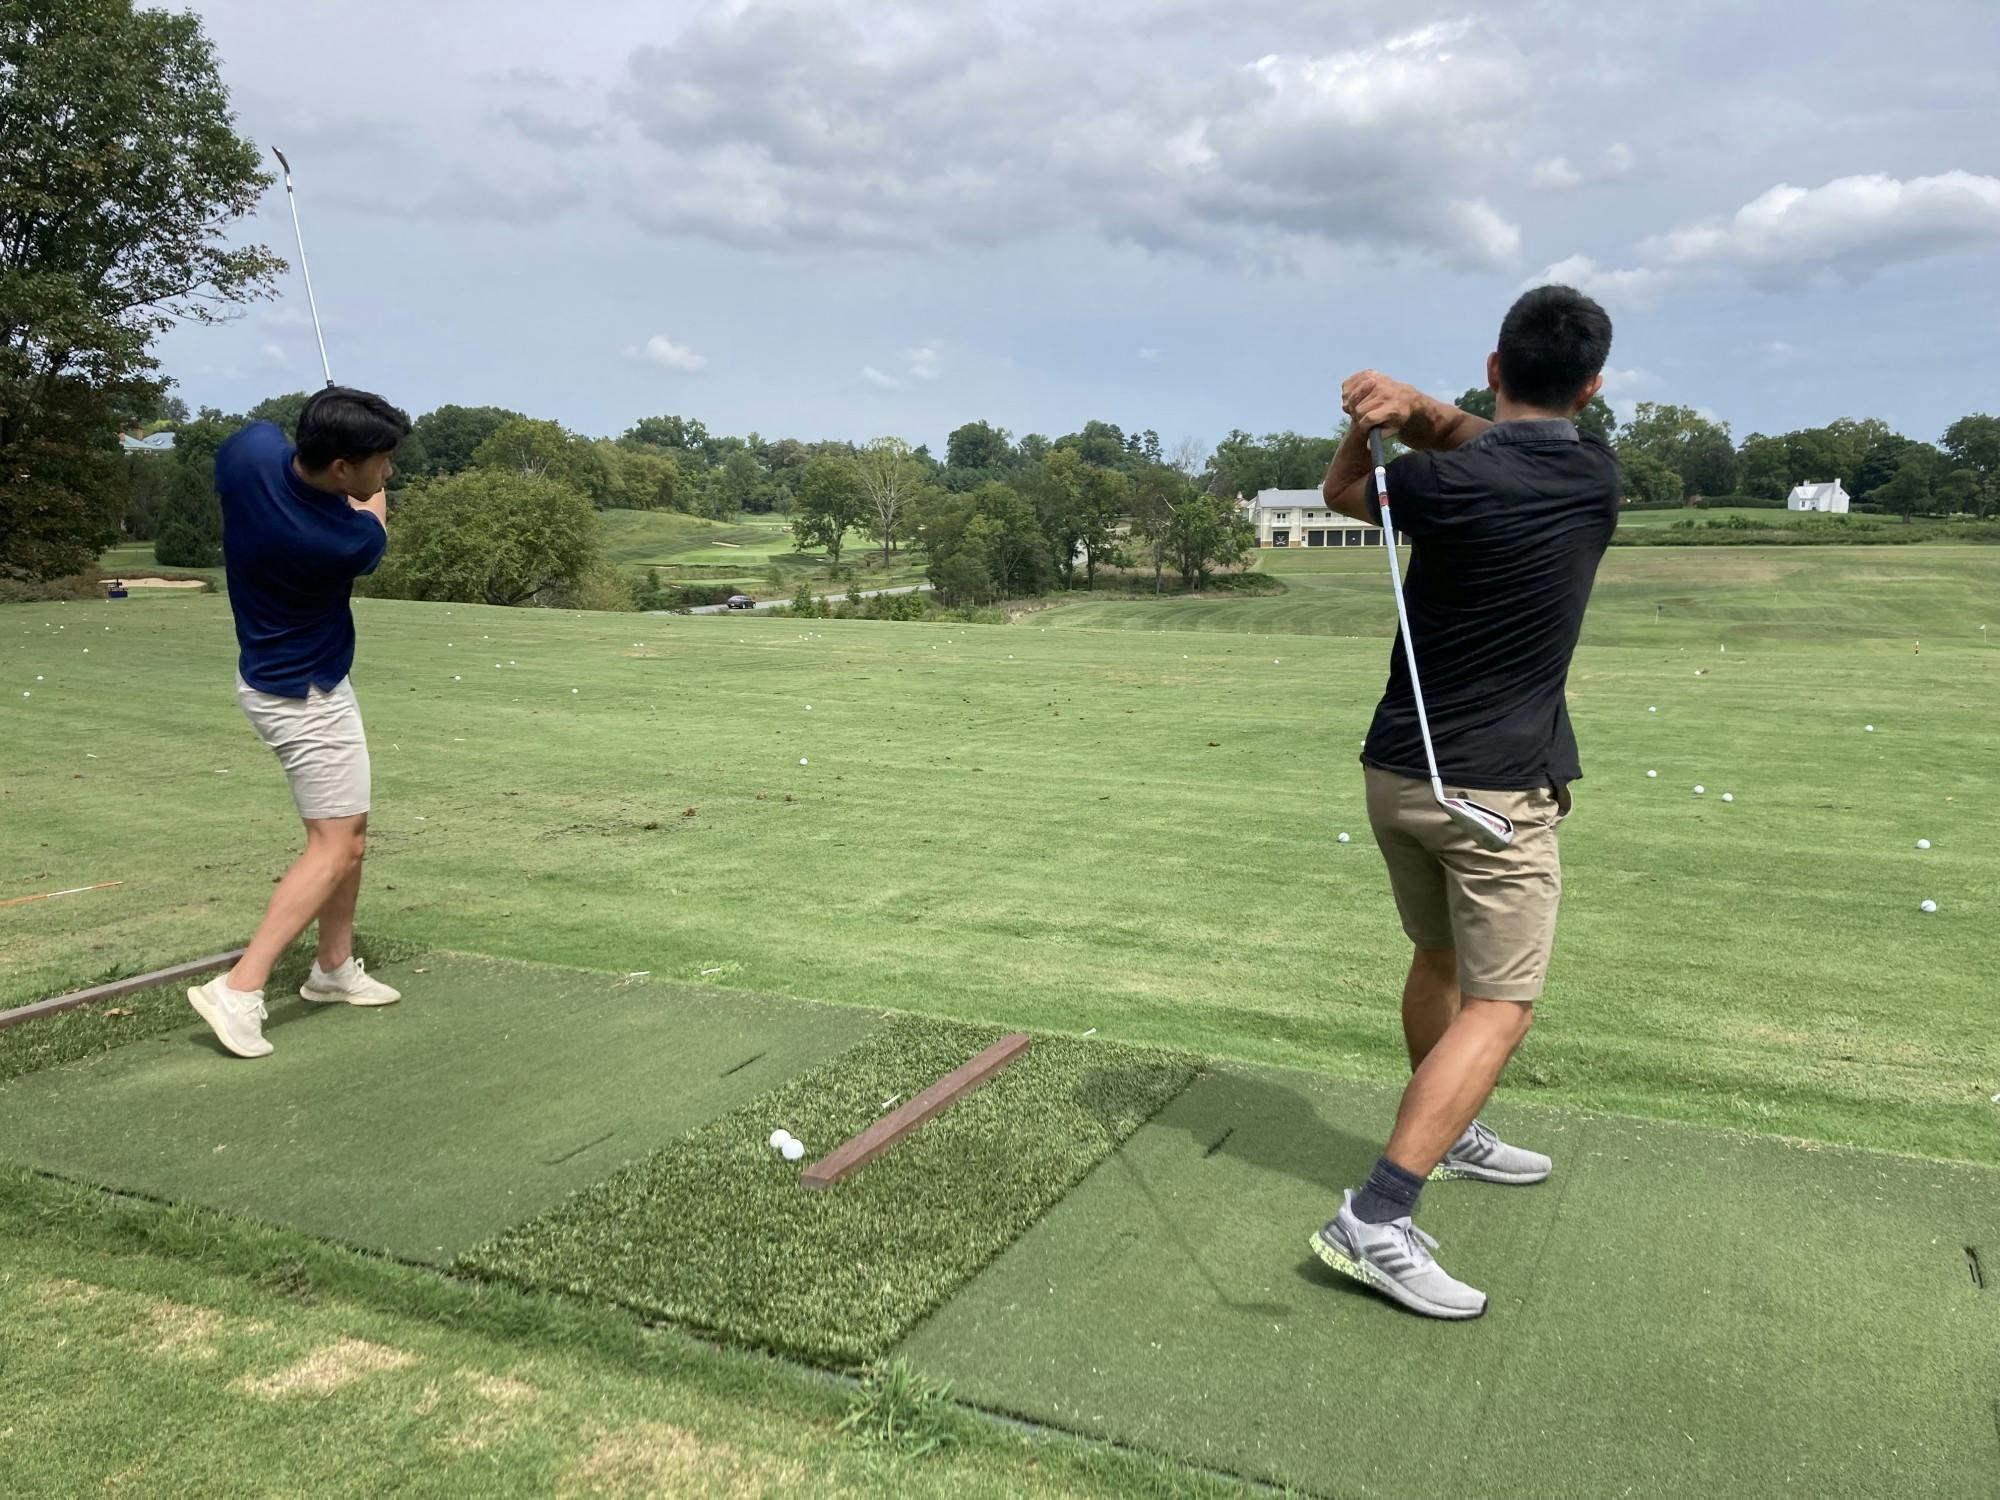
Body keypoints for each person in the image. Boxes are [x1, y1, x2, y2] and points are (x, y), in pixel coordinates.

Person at [1308, 285, 1620, 1318]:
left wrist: (1367, 427)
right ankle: (1377, 1214)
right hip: (1493, 797)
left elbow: (1343, 496)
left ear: (1493, 366)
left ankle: (1447, 1137)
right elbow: (1487, 441)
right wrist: (1416, 410)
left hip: (1395, 777)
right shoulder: (1592, 474)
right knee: (1500, 1005)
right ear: (1593, 386)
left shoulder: (1440, 484)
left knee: (1436, 960)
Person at [186, 387, 412, 1059]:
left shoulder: (249, 453)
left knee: (352, 835)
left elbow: (264, 443)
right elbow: (375, 521)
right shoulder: (335, 539)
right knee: (334, 845)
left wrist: (344, 423)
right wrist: (365, 488)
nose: (388, 473)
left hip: (287, 680)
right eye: (381, 460)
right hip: (301, 696)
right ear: (341, 467)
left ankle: (334, 969)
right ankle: (239, 989)